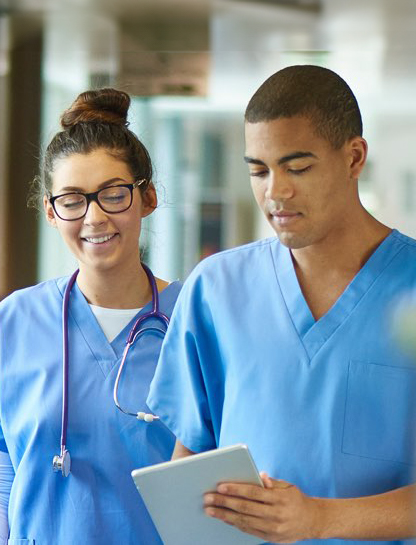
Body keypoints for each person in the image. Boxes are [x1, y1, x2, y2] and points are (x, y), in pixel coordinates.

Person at [148, 64, 416, 544]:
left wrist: (318, 519)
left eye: (297, 167)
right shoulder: (216, 288)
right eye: (258, 170)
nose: (275, 192)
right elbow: (188, 470)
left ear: (354, 158)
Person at [0, 88, 182, 543]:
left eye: (113, 194)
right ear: (51, 210)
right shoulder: (15, 324)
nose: (94, 217)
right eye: (72, 200)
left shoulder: (191, 323)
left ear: (148, 198)